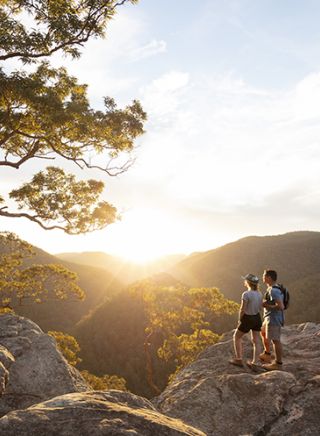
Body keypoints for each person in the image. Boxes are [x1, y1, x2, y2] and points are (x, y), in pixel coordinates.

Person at [229, 273, 263, 369]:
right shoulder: (259, 294)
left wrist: (240, 320)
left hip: (248, 318)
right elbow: (260, 308)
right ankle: (255, 362)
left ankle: (239, 359)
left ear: (247, 282)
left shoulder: (246, 294)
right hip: (257, 318)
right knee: (256, 341)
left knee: (237, 337)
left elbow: (242, 309)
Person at [259, 269, 284, 370]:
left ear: (269, 278)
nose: (263, 278)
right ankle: (267, 354)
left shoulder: (274, 290)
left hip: (274, 319)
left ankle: (278, 364)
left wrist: (267, 305)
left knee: (275, 340)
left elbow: (280, 306)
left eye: (264, 276)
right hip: (268, 318)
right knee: (263, 332)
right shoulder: (272, 288)